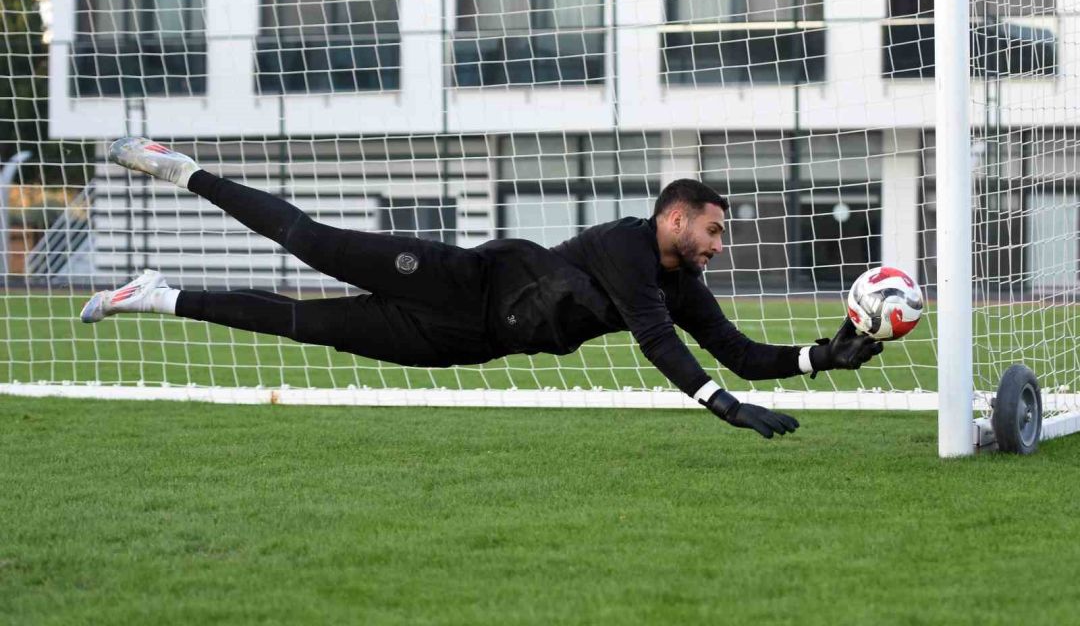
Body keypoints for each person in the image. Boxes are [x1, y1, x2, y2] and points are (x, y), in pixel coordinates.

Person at [81, 137, 884, 439]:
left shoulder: (684, 285)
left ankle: (156, 295)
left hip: (468, 342)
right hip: (459, 281)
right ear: (675, 218)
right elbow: (653, 338)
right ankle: (184, 170)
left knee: (304, 327)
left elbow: (741, 354)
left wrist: (825, 355)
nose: (717, 248)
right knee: (311, 243)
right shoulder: (629, 247)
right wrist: (721, 406)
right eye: (712, 231)